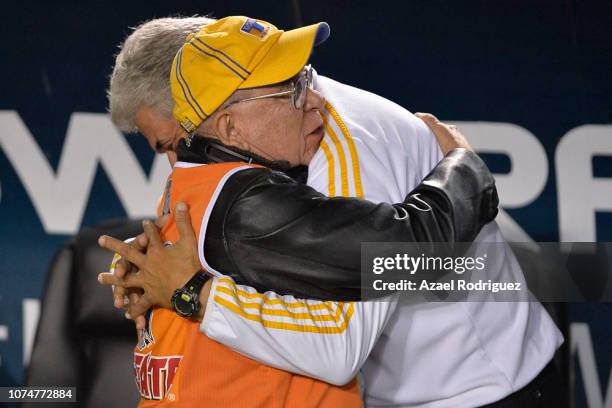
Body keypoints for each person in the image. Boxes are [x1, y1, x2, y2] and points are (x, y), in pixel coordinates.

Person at [102, 16, 565, 407]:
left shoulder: (338, 148)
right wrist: (156, 261)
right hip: (397, 388)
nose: (181, 163)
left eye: (300, 76)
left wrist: (191, 291)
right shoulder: (248, 149)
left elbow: (339, 344)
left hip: (477, 387)